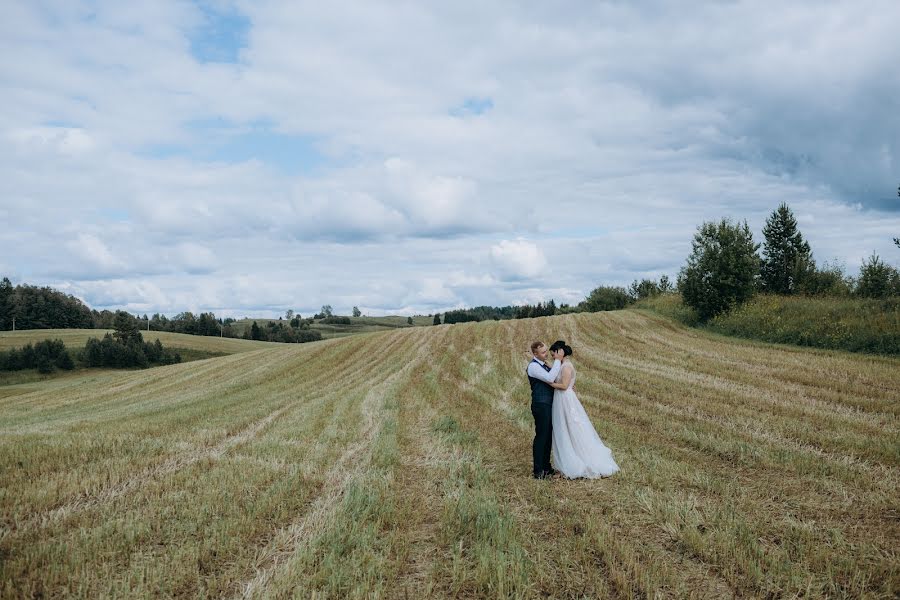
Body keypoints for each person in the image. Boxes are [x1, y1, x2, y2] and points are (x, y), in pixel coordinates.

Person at [548, 340, 619, 479]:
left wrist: (549, 382)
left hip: (565, 400)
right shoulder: (561, 365)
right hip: (560, 400)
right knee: (564, 427)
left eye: (554, 355)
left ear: (560, 352)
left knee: (572, 426)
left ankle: (579, 460)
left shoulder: (567, 367)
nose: (553, 358)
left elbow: (564, 385)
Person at [526, 341, 561, 479]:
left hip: (548, 404)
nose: (546, 354)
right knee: (541, 436)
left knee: (548, 437)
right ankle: (538, 471)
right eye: (543, 352)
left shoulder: (544, 365)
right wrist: (558, 361)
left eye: (546, 351)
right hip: (541, 405)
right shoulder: (533, 367)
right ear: (535, 354)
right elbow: (550, 378)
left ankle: (547, 467)